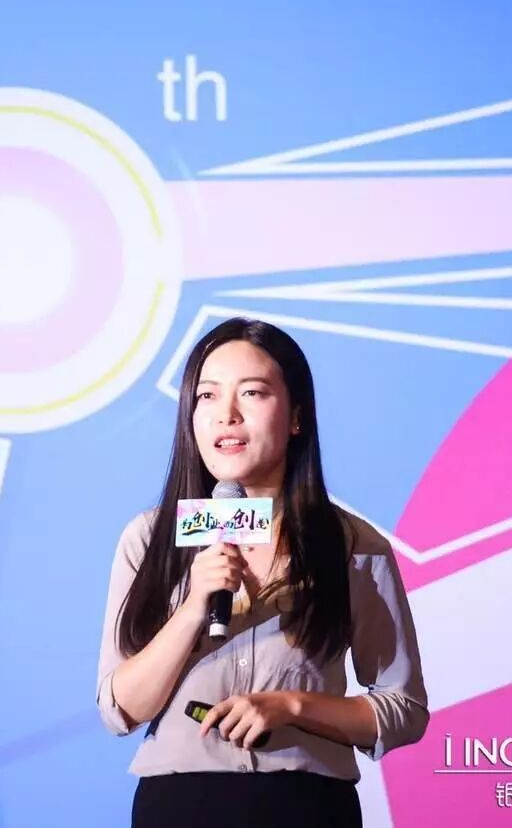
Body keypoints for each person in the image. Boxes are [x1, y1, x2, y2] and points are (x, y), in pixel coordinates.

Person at [96, 317, 429, 827]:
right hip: (179, 807)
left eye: (251, 393)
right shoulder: (150, 539)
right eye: (207, 396)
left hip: (307, 807)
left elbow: (402, 707)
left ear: (296, 416)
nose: (226, 415)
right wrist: (194, 607)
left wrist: (293, 707)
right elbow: (120, 709)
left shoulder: (354, 547)